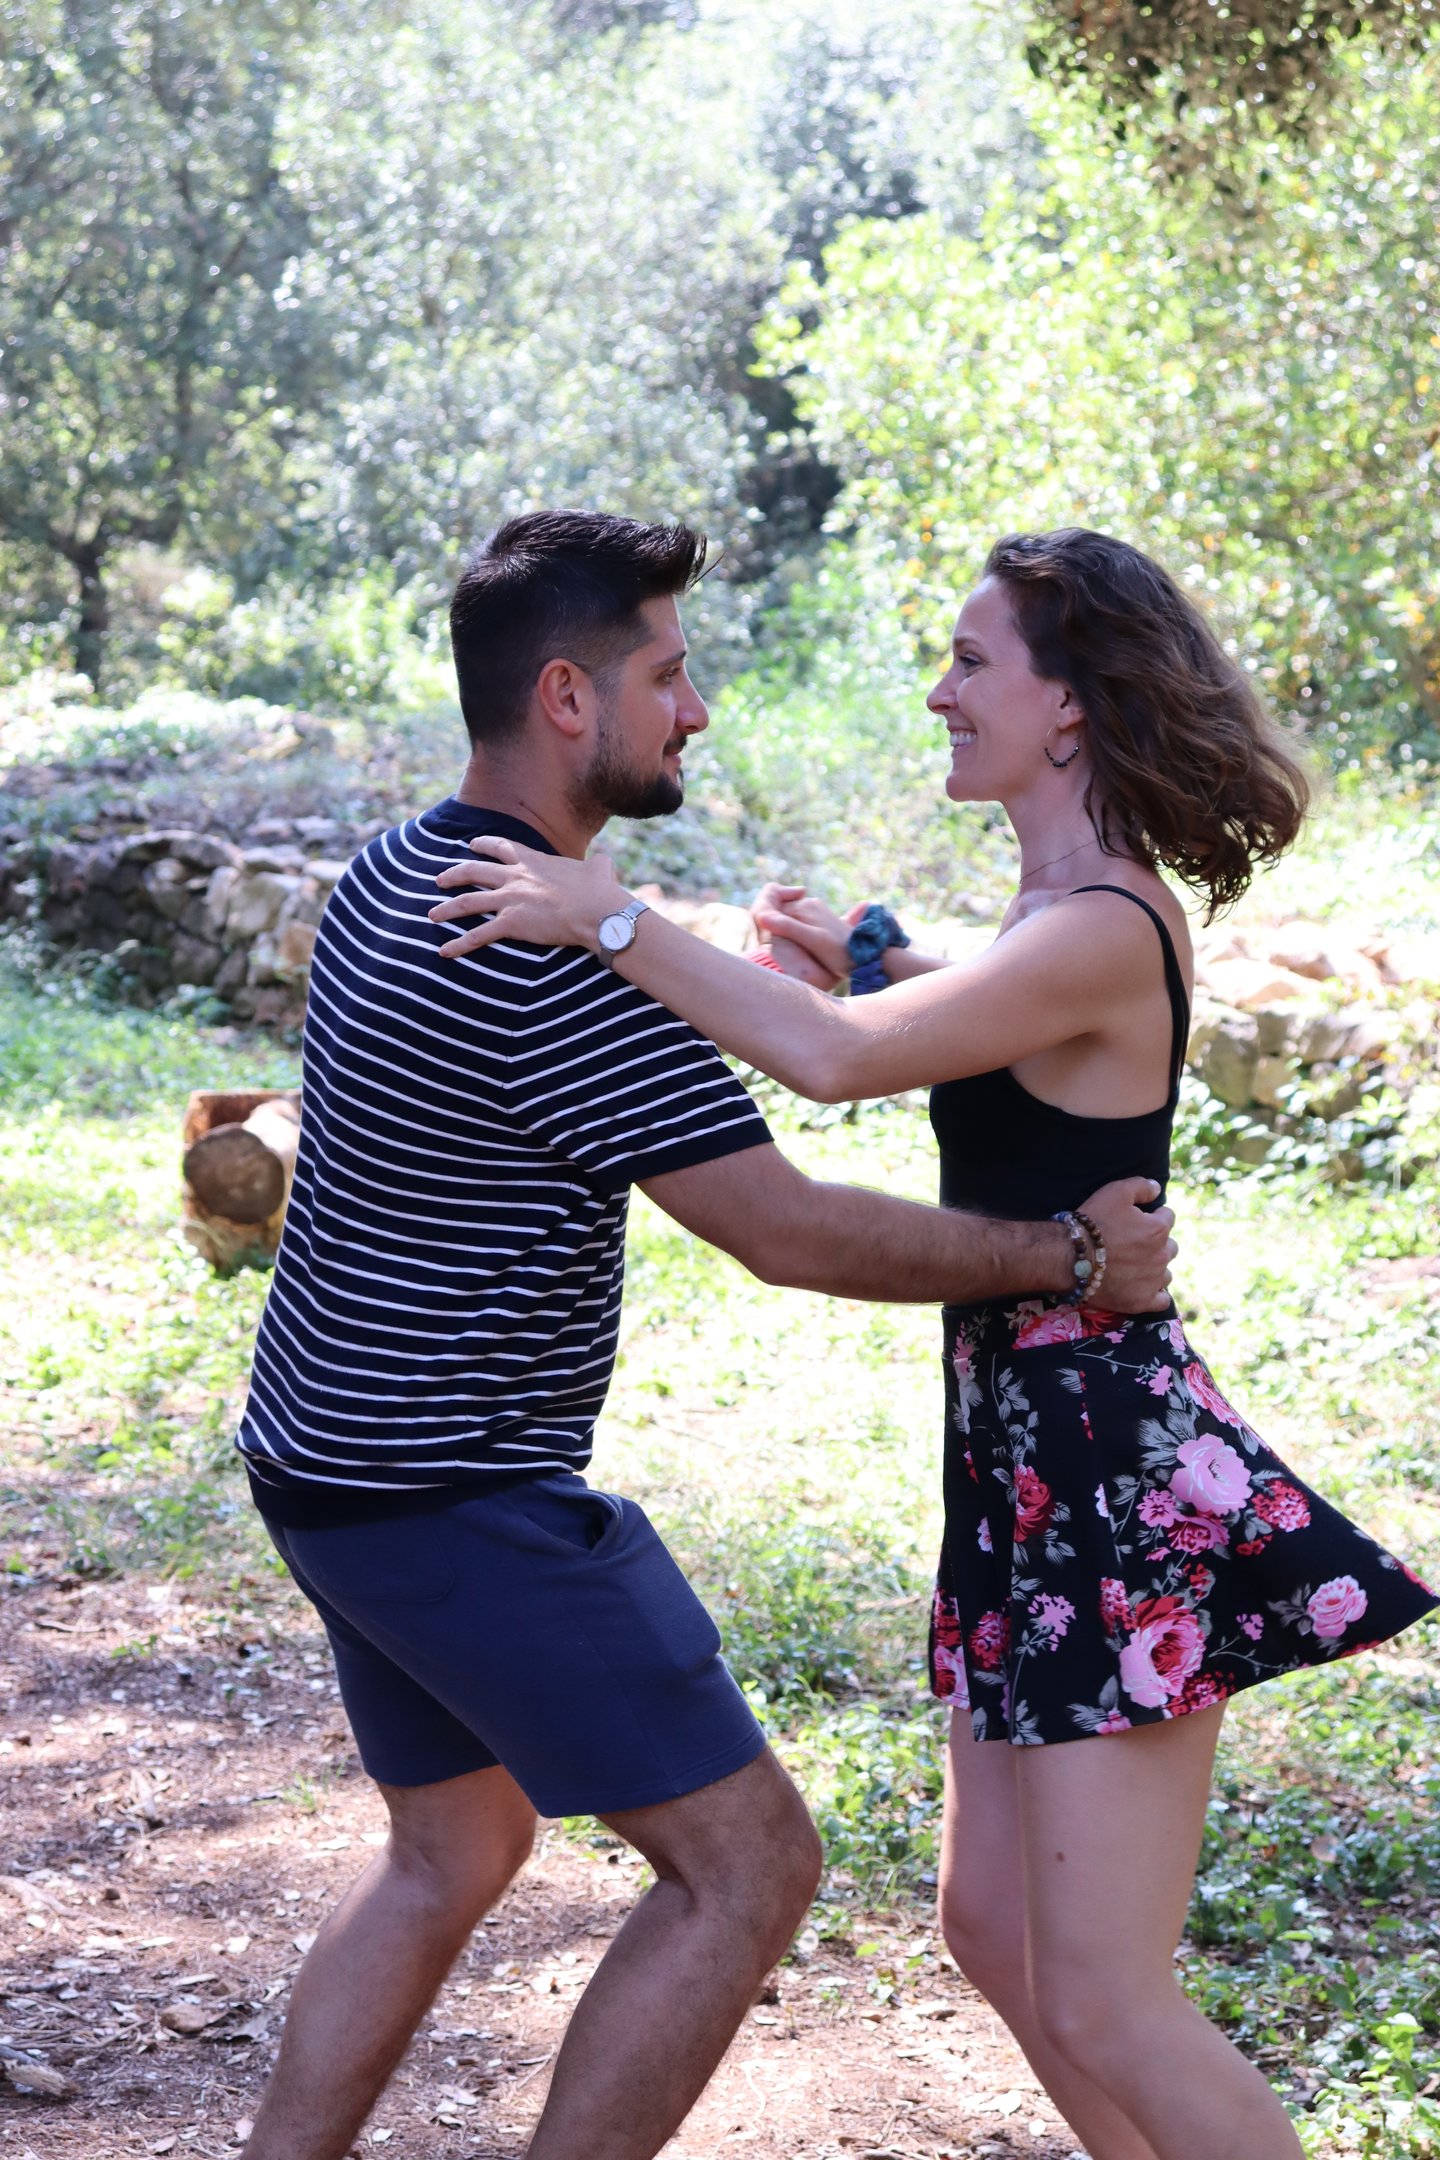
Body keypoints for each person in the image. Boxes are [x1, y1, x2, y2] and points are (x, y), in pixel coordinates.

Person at [430, 525, 1439, 2160]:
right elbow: (958, 1025)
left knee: (1107, 1995)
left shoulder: (1104, 920)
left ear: (1069, 703)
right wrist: (881, 959)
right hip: (1025, 1461)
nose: (940, 693)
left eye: (972, 663)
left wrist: (612, 921)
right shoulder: (1056, 912)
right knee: (993, 1930)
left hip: (1107, 1474)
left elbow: (836, 1060)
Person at [234, 511, 1176, 2160]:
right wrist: (1070, 1255)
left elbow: (732, 1058)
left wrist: (785, 965)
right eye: (668, 675)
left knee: (449, 1853)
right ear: (569, 698)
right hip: (456, 1494)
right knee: (751, 1867)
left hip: (322, 1462)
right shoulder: (551, 963)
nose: (700, 709)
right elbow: (787, 1230)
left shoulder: (397, 870)